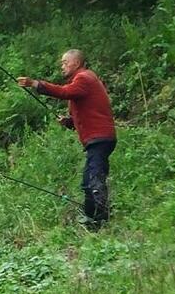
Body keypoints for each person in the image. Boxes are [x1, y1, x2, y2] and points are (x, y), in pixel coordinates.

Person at [17, 49, 116, 227]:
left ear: (76, 63)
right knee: (88, 181)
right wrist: (70, 122)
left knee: (94, 181)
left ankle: (100, 220)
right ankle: (93, 218)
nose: (62, 66)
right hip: (98, 139)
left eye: (64, 62)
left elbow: (64, 92)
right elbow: (89, 111)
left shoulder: (84, 78)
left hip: (100, 138)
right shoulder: (84, 81)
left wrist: (35, 84)